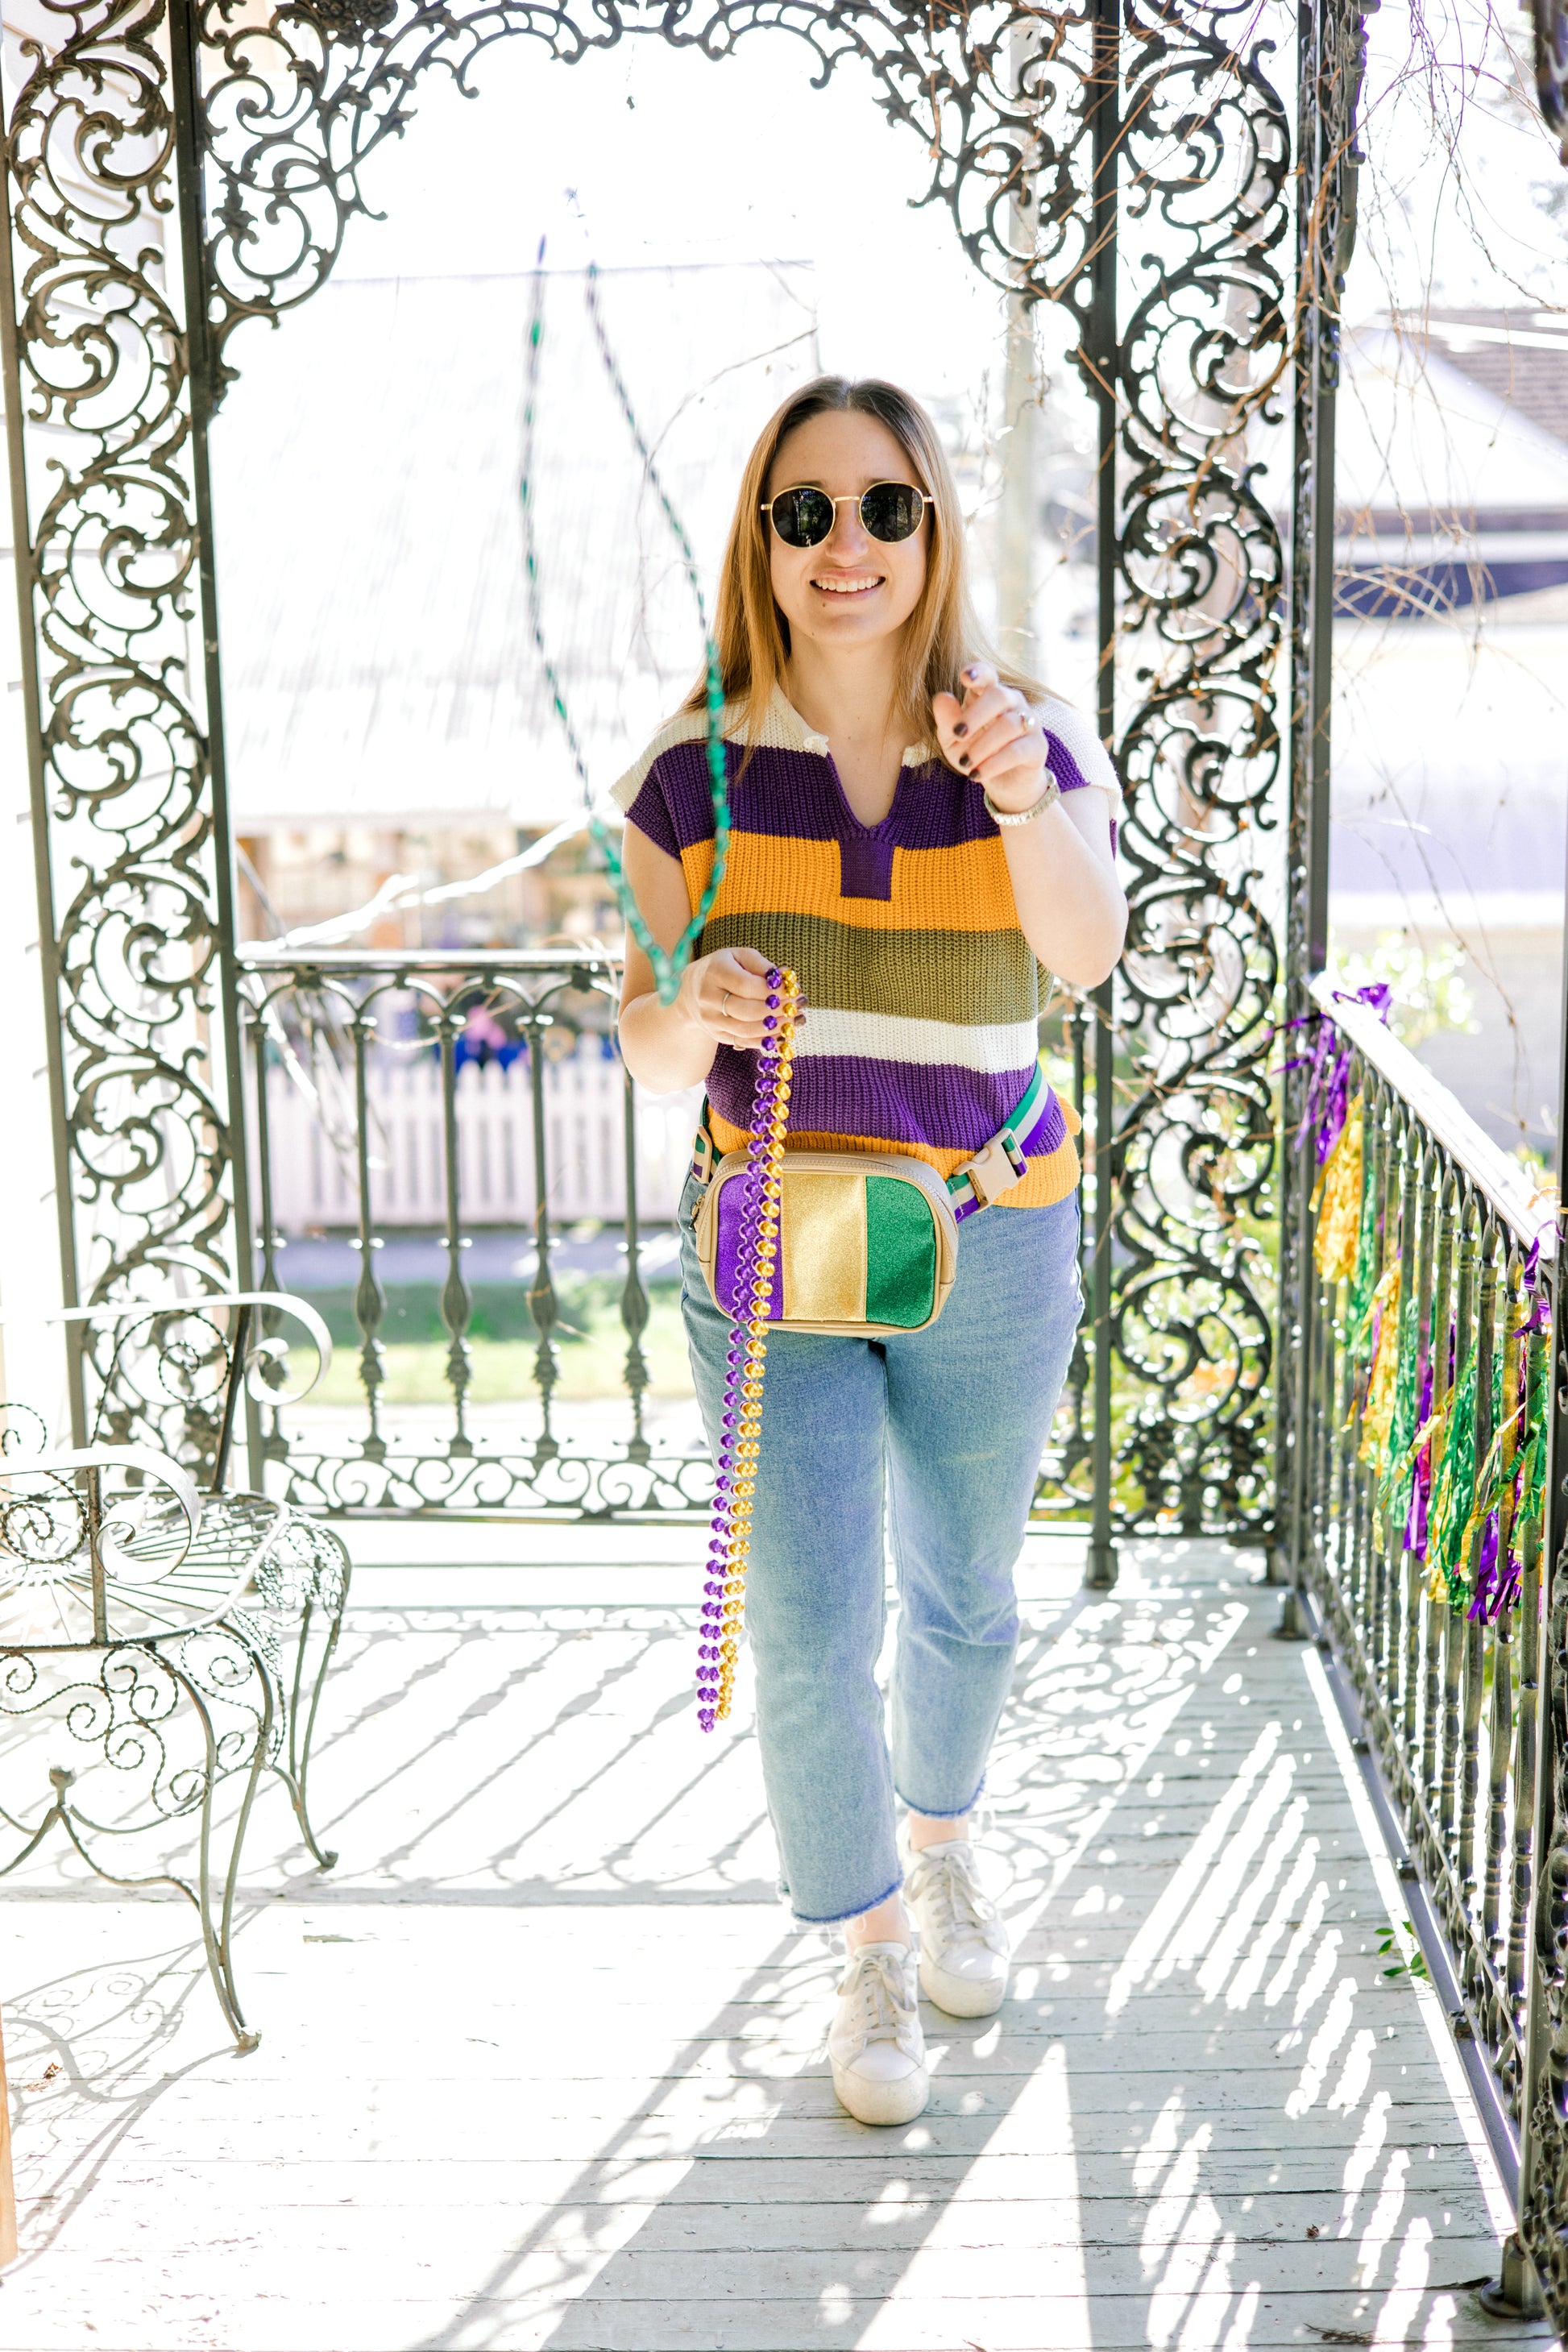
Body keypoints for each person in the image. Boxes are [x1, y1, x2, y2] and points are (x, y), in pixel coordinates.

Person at [613, 375, 1126, 2126]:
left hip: (990, 1227)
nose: (848, 544)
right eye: (806, 509)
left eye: (884, 506)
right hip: (774, 1249)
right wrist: (686, 1004)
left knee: (963, 1596)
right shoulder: (686, 775)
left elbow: (1081, 955)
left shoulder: (1030, 732)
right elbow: (644, 1044)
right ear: (761, 538)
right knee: (812, 1619)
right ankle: (869, 1943)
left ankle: (947, 1837)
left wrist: (1014, 804)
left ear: (934, 528)